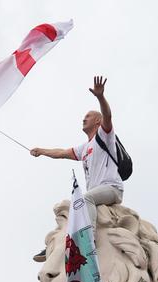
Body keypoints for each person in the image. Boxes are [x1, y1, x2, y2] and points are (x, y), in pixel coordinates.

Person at [30, 74, 124, 253]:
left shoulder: (104, 135)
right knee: (75, 206)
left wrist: (100, 97)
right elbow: (62, 153)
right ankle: (55, 245)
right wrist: (41, 151)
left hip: (112, 188)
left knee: (84, 198)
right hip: (97, 191)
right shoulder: (84, 147)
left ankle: (90, 239)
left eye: (88, 116)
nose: (84, 119)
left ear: (97, 121)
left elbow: (108, 115)